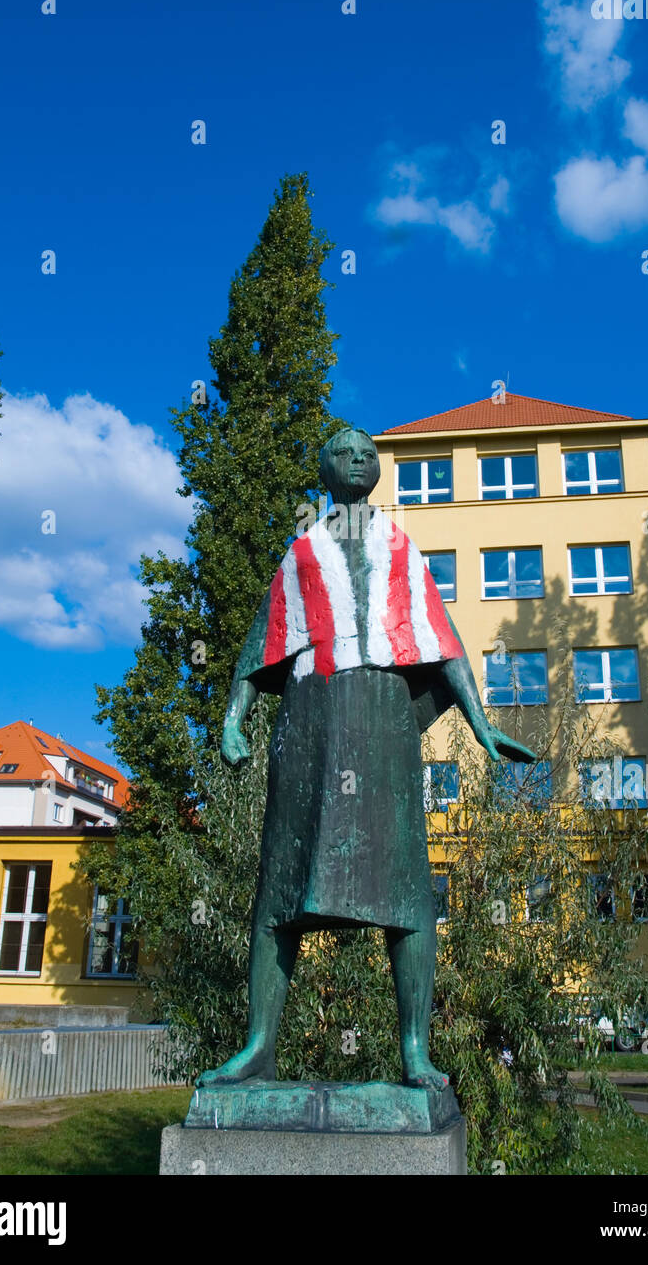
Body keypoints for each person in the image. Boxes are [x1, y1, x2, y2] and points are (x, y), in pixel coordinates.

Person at [198, 426, 534, 1090]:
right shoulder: (303, 551)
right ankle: (259, 1044)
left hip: (381, 724)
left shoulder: (399, 547)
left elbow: (443, 638)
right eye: (345, 452)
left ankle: (415, 1051)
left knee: (406, 888)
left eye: (368, 452)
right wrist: (233, 722)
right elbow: (257, 643)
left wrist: (480, 722)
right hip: (309, 721)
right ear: (323, 466)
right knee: (279, 889)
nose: (359, 459)